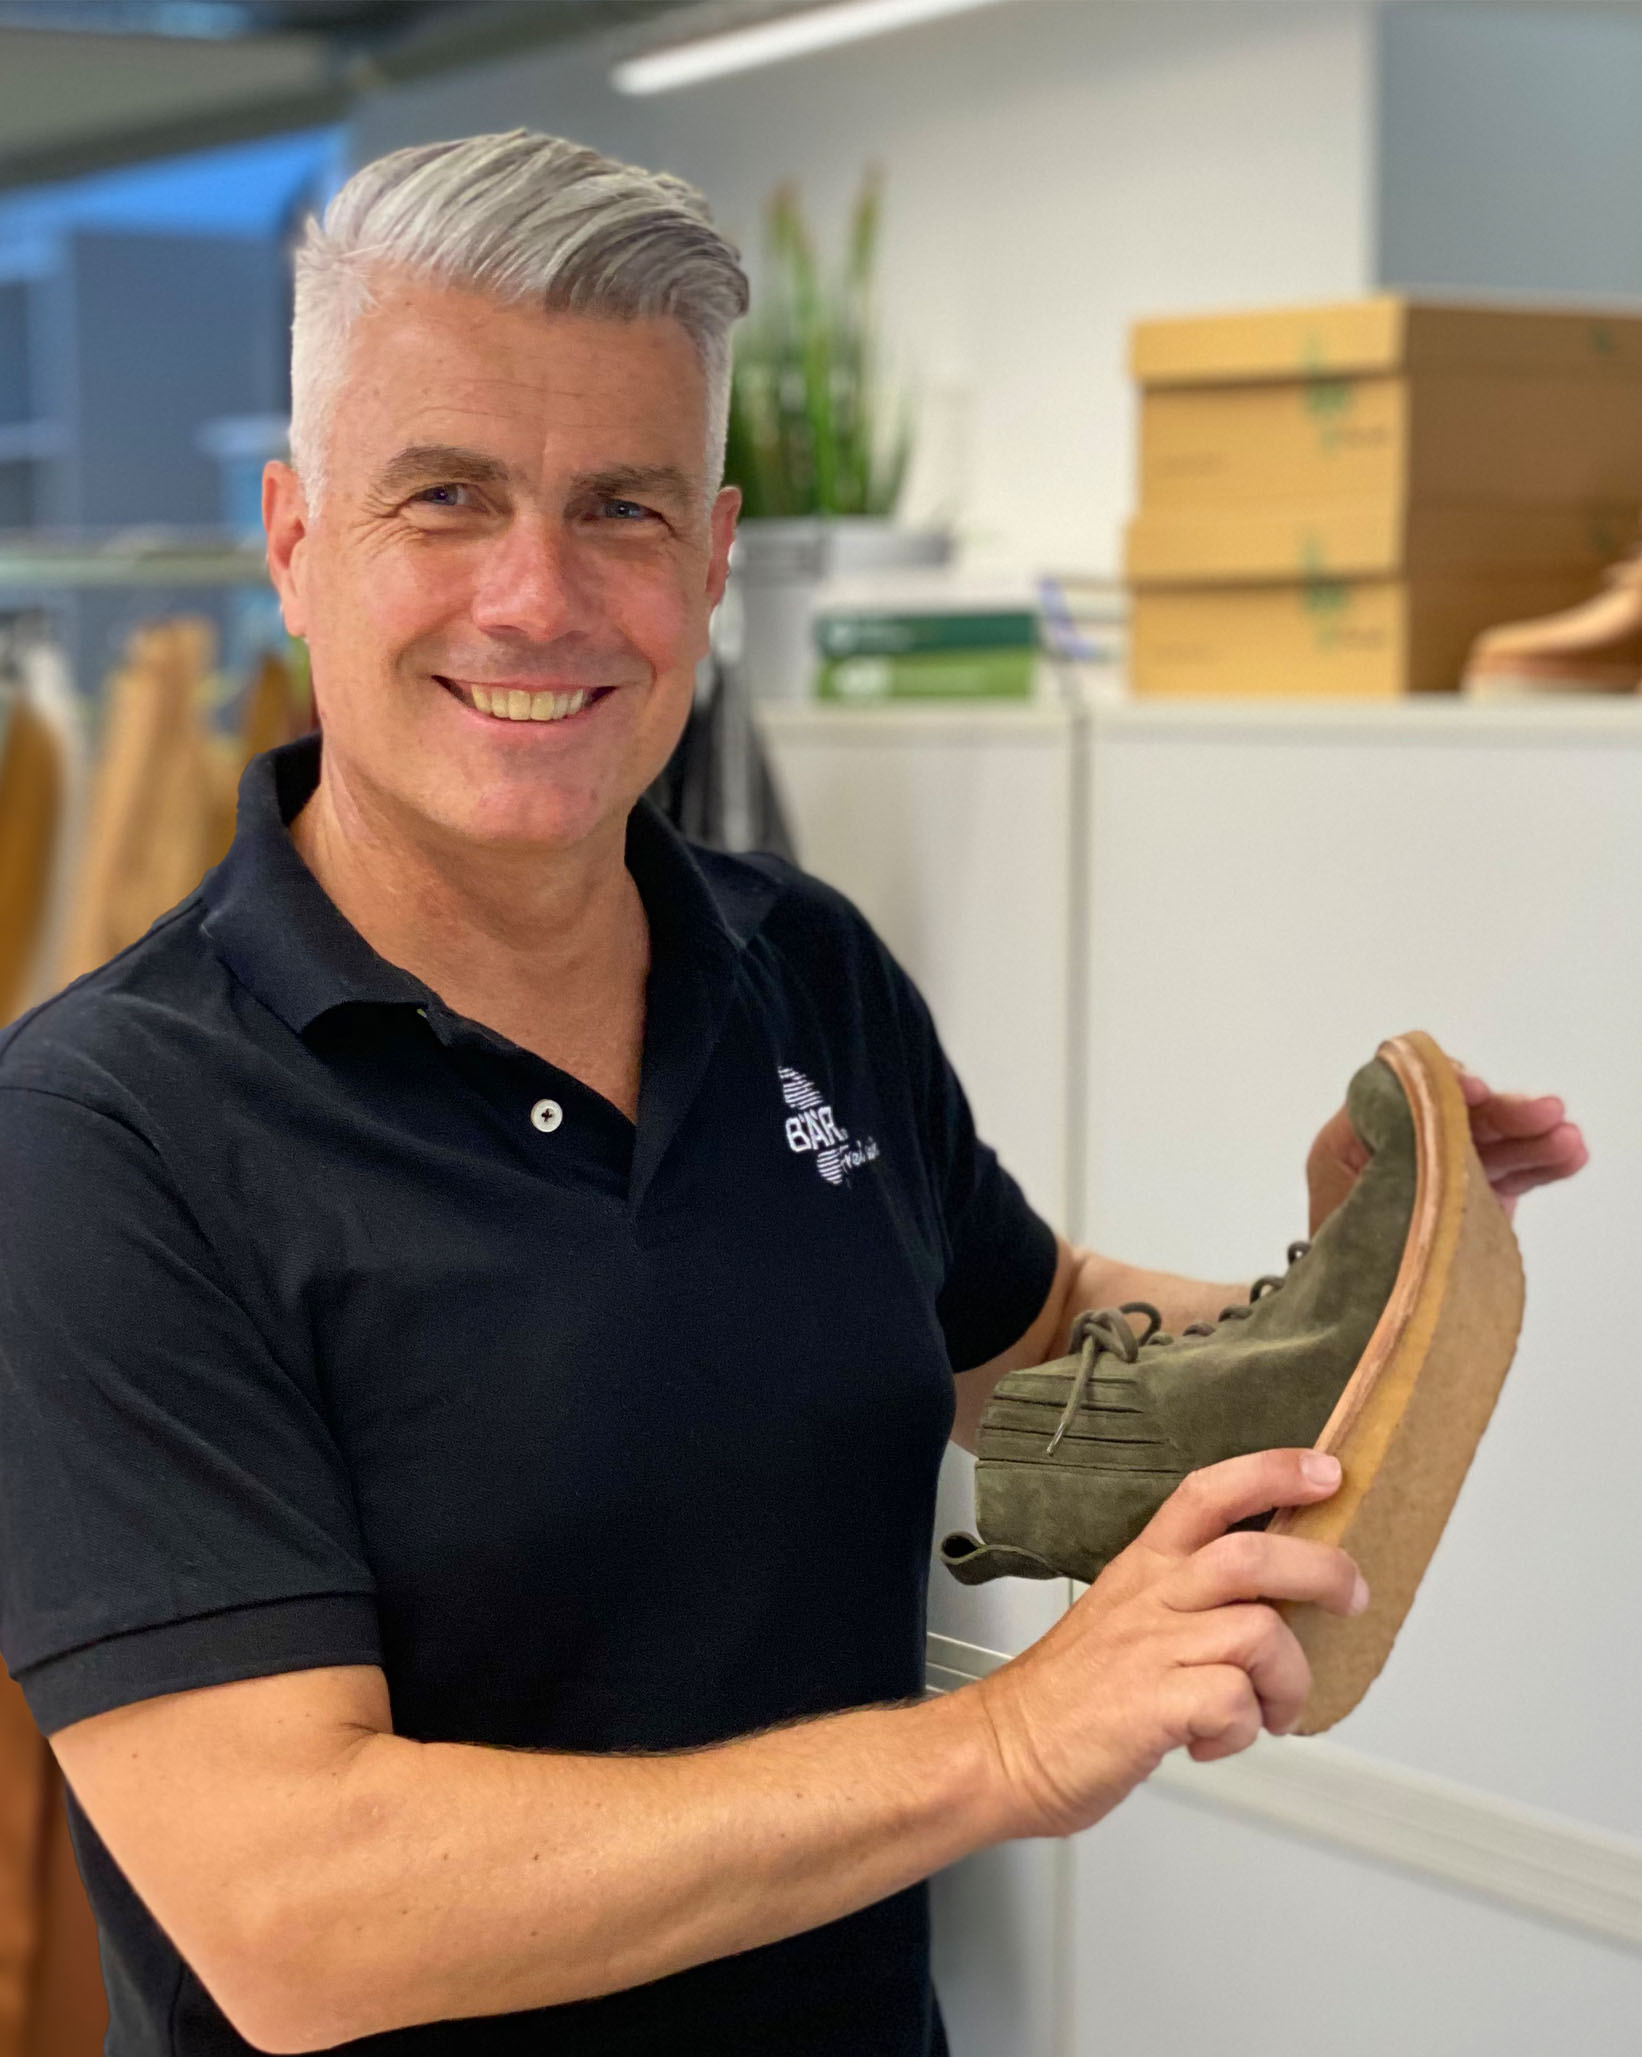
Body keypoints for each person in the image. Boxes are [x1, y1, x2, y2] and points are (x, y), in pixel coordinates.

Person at [0, 132, 1587, 2057]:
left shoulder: (796, 967)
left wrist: (1346, 1277)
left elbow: (1030, 1331)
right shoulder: (99, 1138)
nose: (536, 595)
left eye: (622, 511)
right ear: (294, 537)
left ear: (717, 558)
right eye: (446, 497)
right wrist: (996, 1743)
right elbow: (296, 1908)